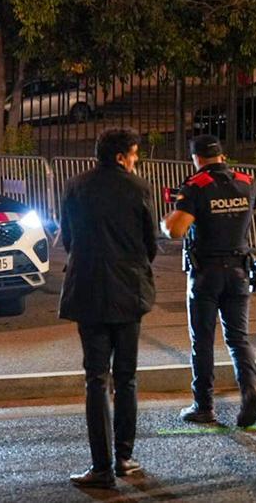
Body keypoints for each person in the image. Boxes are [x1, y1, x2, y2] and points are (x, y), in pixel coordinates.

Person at [59, 127, 159, 489]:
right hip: (128, 292)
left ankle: (100, 467)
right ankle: (125, 458)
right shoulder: (139, 188)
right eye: (134, 154)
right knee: (127, 378)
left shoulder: (75, 186)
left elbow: (67, 238)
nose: (136, 161)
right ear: (121, 156)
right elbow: (151, 243)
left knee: (96, 379)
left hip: (87, 291)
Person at [161, 134, 256, 428]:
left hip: (206, 273)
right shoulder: (248, 181)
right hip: (240, 270)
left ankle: (204, 406)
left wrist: (165, 223)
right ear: (222, 155)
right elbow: (254, 210)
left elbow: (177, 230)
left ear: (196, 158)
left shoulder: (195, 186)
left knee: (202, 341)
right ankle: (250, 390)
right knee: (238, 338)